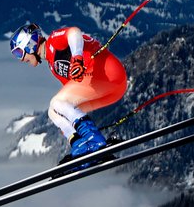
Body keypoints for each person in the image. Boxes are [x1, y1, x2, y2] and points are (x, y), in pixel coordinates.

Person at [9, 22, 127, 162]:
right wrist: (67, 124)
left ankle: (94, 140)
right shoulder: (53, 66)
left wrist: (77, 59)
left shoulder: (53, 41)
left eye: (19, 52)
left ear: (30, 44)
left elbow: (74, 32)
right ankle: (80, 145)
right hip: (110, 89)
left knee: (57, 103)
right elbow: (71, 101)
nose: (21, 59)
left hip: (107, 73)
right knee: (54, 112)